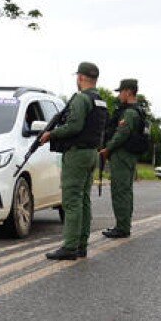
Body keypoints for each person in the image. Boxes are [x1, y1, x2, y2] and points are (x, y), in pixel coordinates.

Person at [40, 62, 108, 261]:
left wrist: (51, 134)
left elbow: (74, 126)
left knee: (71, 201)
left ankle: (70, 246)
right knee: (83, 200)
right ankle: (81, 245)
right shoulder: (100, 101)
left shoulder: (81, 99)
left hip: (77, 154)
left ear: (80, 78)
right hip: (91, 153)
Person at [99, 78, 146, 239]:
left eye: (121, 92)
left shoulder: (130, 113)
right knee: (125, 190)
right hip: (128, 156)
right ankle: (123, 225)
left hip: (122, 155)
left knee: (120, 191)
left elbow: (121, 134)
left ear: (128, 92)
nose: (119, 95)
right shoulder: (137, 110)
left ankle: (122, 227)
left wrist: (107, 149)